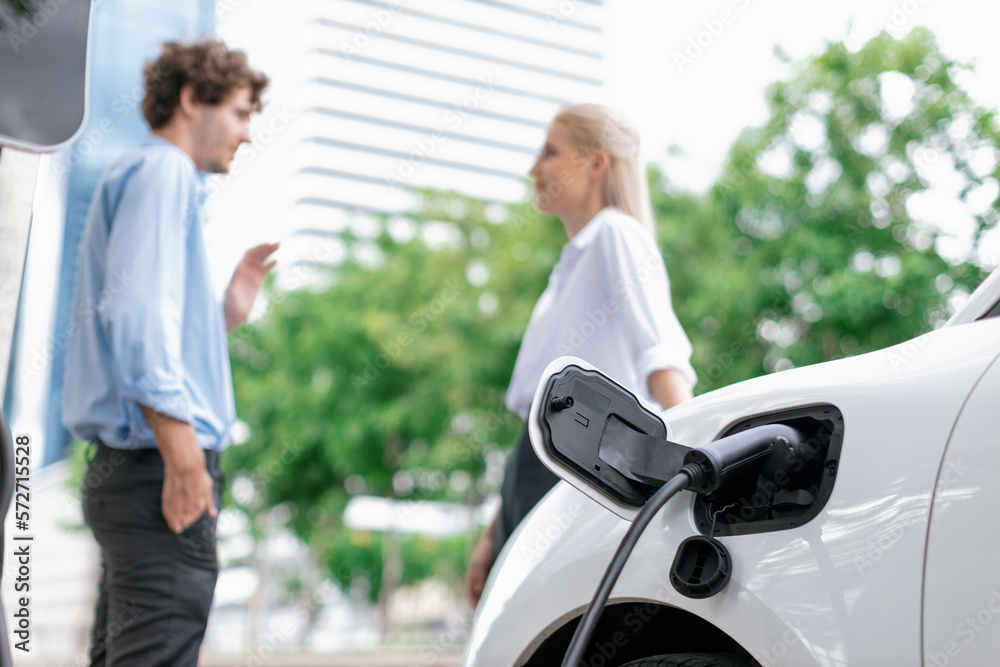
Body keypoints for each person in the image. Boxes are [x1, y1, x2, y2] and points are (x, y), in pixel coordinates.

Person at [62, 40, 275, 666]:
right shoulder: (163, 171)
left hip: (131, 468)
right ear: (191, 100)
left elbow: (138, 314)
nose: (246, 134)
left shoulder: (139, 174)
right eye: (239, 113)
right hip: (157, 464)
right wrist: (184, 456)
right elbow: (133, 318)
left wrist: (222, 317)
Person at [464, 104, 697, 608]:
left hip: (575, 472)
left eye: (550, 152)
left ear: (595, 163)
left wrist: (697, 461)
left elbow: (660, 358)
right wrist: (493, 531)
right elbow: (534, 424)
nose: (535, 168)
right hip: (536, 472)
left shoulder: (615, 235)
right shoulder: (566, 269)